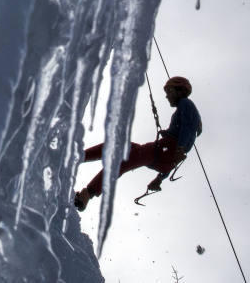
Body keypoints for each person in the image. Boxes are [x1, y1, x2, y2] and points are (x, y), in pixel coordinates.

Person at [74, 75, 202, 211]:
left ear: (180, 91)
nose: (167, 96)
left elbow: (187, 127)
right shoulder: (186, 111)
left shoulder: (185, 103)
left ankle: (88, 191)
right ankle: (80, 159)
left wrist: (179, 148)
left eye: (169, 91)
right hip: (164, 157)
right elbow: (185, 134)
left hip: (164, 150)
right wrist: (160, 178)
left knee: (124, 159)